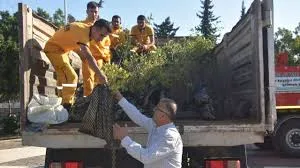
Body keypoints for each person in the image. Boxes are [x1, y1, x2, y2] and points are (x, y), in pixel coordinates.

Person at [43, 19, 111, 109]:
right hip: (54, 50)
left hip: (61, 51)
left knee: (63, 77)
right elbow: (88, 56)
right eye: (101, 35)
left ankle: (60, 101)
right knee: (72, 77)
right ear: (95, 28)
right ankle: (67, 106)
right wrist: (100, 74)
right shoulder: (83, 33)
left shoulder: (85, 29)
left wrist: (82, 56)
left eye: (104, 37)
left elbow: (73, 41)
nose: (102, 39)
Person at [113, 91, 183, 168]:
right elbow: (138, 116)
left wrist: (124, 139)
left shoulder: (170, 136)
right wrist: (120, 99)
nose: (154, 109)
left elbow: (146, 157)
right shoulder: (155, 125)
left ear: (163, 116)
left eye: (157, 108)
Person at [77, 1, 112, 97]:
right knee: (88, 81)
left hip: (100, 60)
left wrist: (107, 60)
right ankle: (87, 101)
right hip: (88, 59)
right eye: (91, 11)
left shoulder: (103, 27)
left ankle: (96, 102)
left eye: (96, 12)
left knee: (100, 83)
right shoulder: (81, 26)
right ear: (87, 11)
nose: (94, 14)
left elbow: (107, 46)